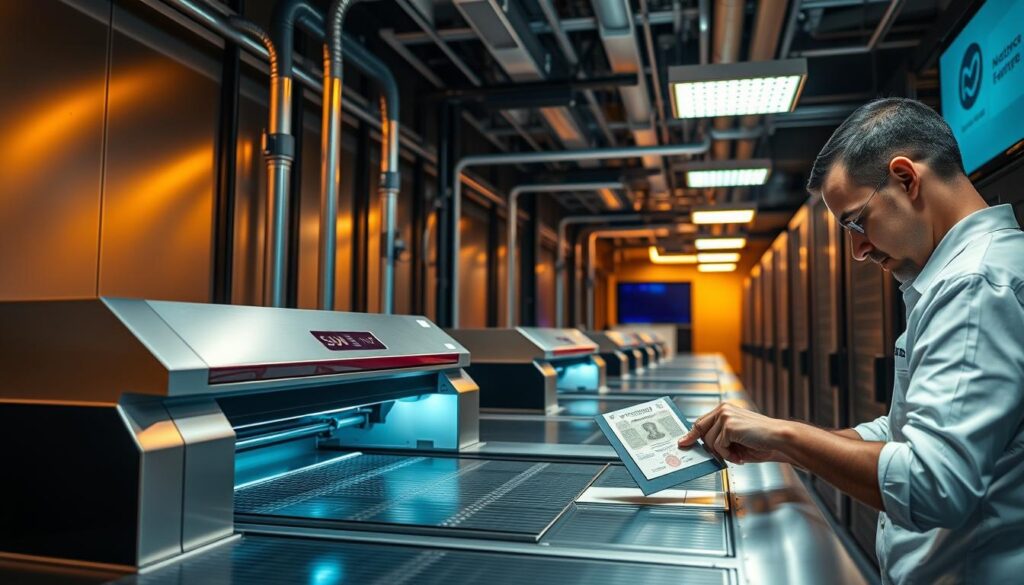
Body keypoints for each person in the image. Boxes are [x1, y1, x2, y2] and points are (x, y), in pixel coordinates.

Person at [679, 98, 1024, 584]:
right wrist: (784, 447)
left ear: (906, 178)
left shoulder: (974, 286)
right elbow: (907, 432)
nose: (858, 250)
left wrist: (786, 435)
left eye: (857, 221)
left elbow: (932, 484)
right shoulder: (959, 278)